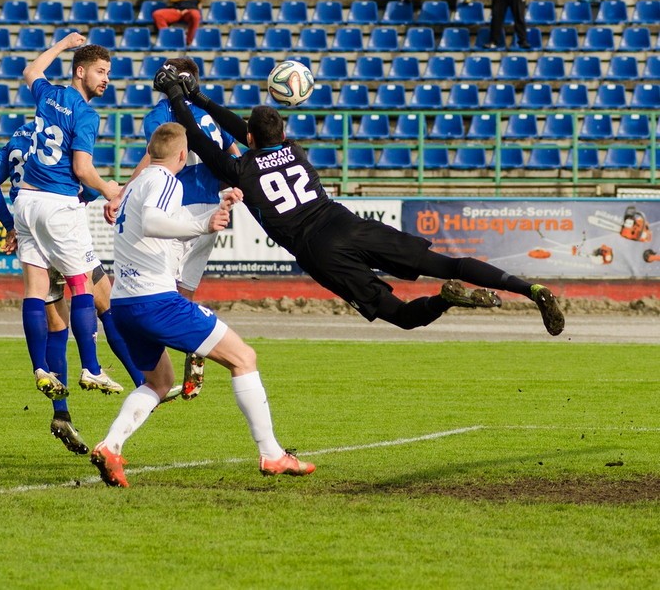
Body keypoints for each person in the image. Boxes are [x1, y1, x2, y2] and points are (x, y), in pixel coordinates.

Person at [150, 64, 566, 337]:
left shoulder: (242, 169)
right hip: (345, 222)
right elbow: (247, 131)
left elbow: (203, 143)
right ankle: (529, 289)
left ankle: (445, 298)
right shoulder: (294, 151)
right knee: (446, 262)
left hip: (318, 249)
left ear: (251, 140)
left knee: (400, 315)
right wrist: (200, 98)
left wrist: (177, 97)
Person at [90, 122, 315, 488]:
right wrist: (206, 221)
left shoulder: (134, 187)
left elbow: (166, 220)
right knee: (244, 358)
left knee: (159, 381)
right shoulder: (165, 180)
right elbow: (153, 221)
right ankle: (272, 454)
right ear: (183, 155)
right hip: (156, 300)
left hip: (124, 303)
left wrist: (211, 214)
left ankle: (111, 445)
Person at [0, 121, 145, 455]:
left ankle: (62, 414)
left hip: (30, 226)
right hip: (60, 223)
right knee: (105, 302)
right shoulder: (63, 134)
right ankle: (142, 384)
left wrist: (9, 224)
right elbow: (84, 180)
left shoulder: (17, 138)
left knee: (57, 324)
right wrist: (95, 192)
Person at [105, 57, 237, 401]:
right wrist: (236, 184)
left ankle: (156, 369)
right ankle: (195, 356)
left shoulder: (163, 113)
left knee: (159, 290)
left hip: (177, 210)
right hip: (211, 209)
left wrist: (122, 193)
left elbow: (155, 157)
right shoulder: (210, 115)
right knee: (186, 290)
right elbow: (231, 150)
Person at [15, 34, 125, 410]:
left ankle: (41, 369)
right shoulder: (86, 113)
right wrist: (109, 189)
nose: (106, 78)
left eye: (108, 72)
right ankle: (91, 368)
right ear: (81, 72)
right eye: (100, 71)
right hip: (59, 203)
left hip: (25, 200)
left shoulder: (48, 95)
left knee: (36, 287)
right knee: (81, 286)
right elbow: (82, 169)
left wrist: (61, 44)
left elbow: (31, 69)